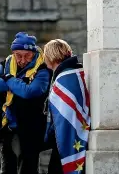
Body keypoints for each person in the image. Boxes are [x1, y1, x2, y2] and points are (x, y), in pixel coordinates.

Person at [0, 32, 51, 174]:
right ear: (13, 53)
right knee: (7, 167)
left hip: (31, 126)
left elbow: (29, 92)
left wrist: (8, 80)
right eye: (19, 55)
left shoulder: (43, 69)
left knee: (28, 167)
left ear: (34, 53)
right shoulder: (7, 64)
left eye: (27, 55)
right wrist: (17, 84)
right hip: (9, 126)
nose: (23, 60)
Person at [43, 39, 90, 174]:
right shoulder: (76, 72)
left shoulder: (63, 79)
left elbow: (61, 117)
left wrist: (46, 137)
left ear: (51, 56)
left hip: (67, 137)